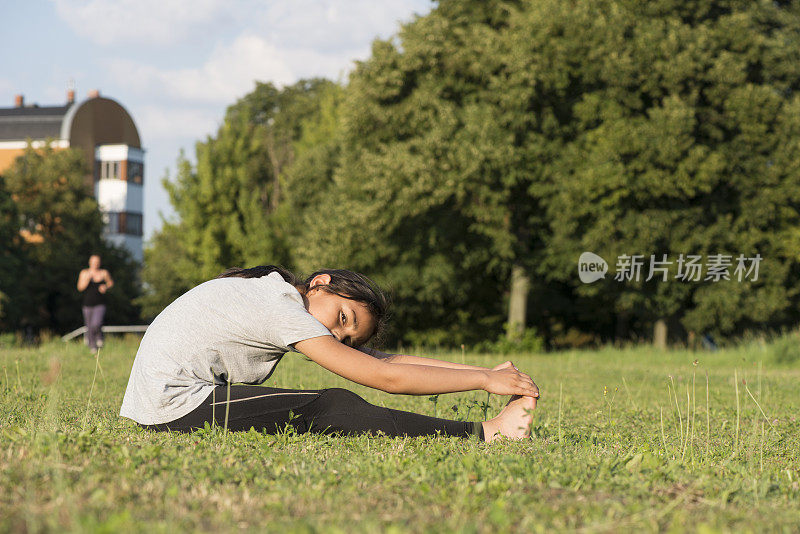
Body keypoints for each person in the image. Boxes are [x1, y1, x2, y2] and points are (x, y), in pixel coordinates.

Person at [120, 266, 539, 442]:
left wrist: (484, 370)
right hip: (173, 407)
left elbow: (383, 362)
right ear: (320, 283)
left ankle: (487, 430)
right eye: (343, 316)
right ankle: (486, 433)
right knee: (333, 405)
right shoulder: (280, 308)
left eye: (346, 337)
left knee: (329, 402)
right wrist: (486, 381)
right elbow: (388, 380)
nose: (333, 334)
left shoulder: (276, 295)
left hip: (164, 402)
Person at [77, 254, 114, 352]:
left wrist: (105, 287)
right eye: (93, 262)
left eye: (97, 262)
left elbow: (110, 283)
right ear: (90, 262)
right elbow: (80, 288)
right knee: (89, 326)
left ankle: (99, 338)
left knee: (96, 323)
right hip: (87, 304)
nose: (95, 264)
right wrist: (87, 279)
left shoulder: (104, 273)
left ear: (99, 263)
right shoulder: (84, 273)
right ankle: (92, 346)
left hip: (100, 303)